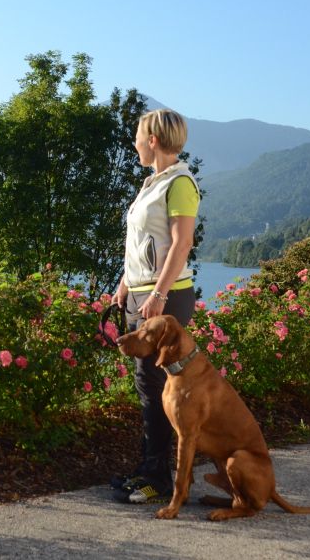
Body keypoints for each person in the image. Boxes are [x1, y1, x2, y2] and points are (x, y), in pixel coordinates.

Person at [110, 108, 200, 504]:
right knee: (148, 385)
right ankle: (150, 469)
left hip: (165, 297)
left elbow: (181, 244)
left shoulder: (179, 183)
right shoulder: (152, 183)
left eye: (137, 137)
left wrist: (158, 295)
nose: (133, 144)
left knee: (158, 386)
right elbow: (144, 244)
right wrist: (124, 284)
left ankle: (159, 478)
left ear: (152, 141)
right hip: (144, 294)